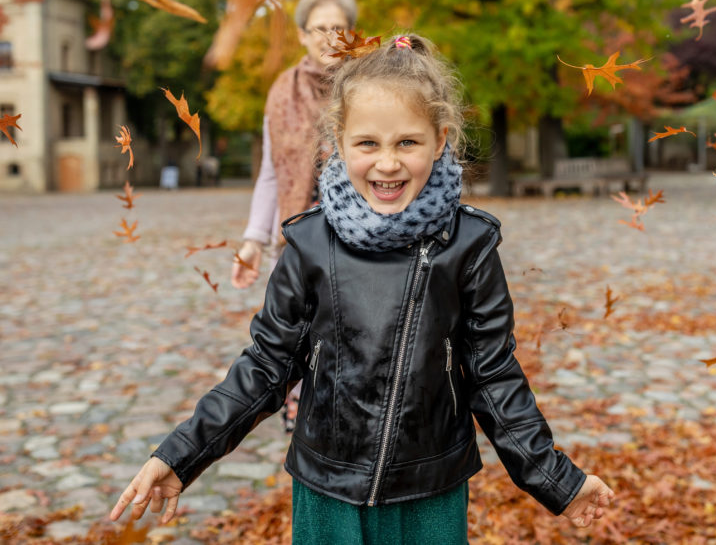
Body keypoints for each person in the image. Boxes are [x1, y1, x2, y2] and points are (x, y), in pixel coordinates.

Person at [109, 34, 615, 543]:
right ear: (338, 142)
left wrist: (557, 481)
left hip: (430, 489)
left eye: (407, 143)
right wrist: (180, 455)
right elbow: (265, 366)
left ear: (440, 140)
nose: (388, 163)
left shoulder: (470, 245)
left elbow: (494, 376)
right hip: (327, 487)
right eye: (368, 143)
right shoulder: (307, 242)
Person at [232, 0, 358, 432]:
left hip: (364, 237)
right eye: (319, 28)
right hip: (301, 238)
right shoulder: (282, 92)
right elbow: (271, 173)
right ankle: (308, 432)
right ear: (303, 35)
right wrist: (252, 240)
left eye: (338, 28)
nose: (329, 37)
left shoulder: (370, 84)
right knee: (302, 339)